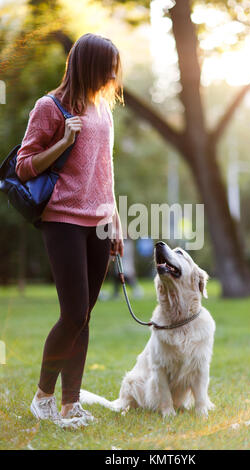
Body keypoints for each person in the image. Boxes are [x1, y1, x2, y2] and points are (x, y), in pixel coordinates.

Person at [15, 33, 124, 427]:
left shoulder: (102, 109)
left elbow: (105, 173)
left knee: (84, 317)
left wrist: (115, 222)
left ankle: (70, 404)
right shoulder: (50, 106)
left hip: (97, 222)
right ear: (86, 64)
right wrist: (63, 141)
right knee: (73, 312)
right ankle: (43, 397)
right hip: (61, 219)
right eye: (107, 65)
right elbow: (24, 166)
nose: (113, 74)